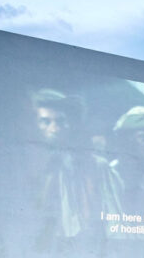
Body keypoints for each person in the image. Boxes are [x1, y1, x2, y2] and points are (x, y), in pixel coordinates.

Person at [30, 88, 122, 240]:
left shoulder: (95, 166)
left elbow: (114, 221)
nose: (54, 128)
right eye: (45, 121)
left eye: (60, 121)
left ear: (70, 124)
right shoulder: (20, 166)